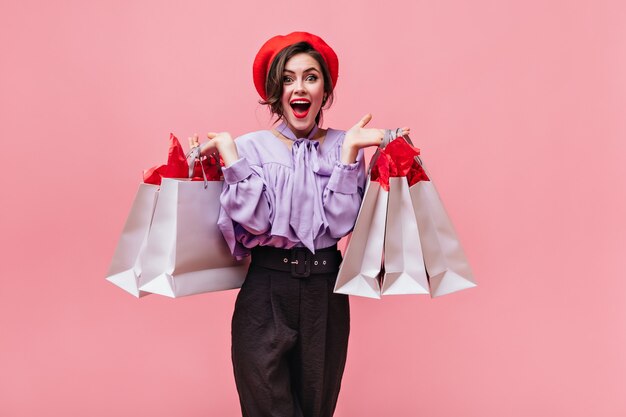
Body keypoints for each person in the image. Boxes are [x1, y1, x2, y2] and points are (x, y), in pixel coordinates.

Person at [189, 32, 409, 417]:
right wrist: (231, 157)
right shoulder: (250, 148)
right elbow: (255, 223)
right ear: (276, 92)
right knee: (264, 406)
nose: (298, 87)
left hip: (326, 290)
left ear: (325, 90)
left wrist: (349, 156)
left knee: (315, 408)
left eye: (310, 77)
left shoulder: (347, 144)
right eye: (288, 79)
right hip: (265, 291)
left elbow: (341, 225)